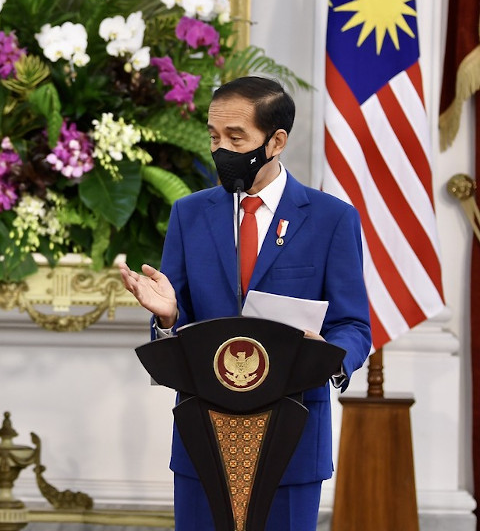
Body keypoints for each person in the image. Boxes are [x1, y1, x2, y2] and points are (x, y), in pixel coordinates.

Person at [118, 76, 371, 530]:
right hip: (203, 433)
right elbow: (177, 326)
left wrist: (329, 357)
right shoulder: (189, 214)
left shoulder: (332, 219)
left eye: (236, 139)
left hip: (293, 436)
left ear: (276, 142)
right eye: (214, 137)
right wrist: (169, 317)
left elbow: (353, 325)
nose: (222, 150)